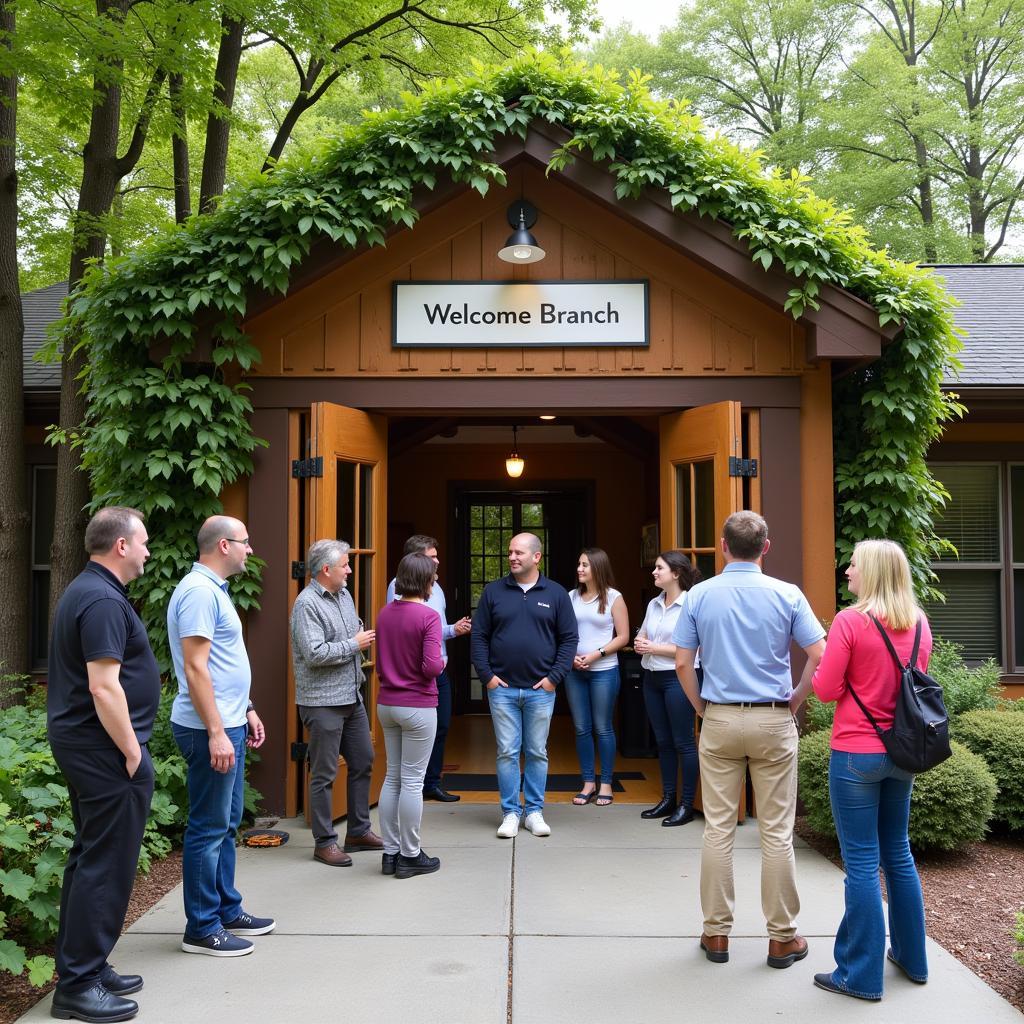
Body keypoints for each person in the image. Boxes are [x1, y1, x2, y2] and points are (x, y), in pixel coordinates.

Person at [674, 511, 825, 969]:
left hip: (720, 717)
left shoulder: (699, 595)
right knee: (776, 832)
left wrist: (703, 709)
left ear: (723, 546)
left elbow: (683, 662)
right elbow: (818, 652)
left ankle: (716, 934)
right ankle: (782, 939)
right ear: (766, 546)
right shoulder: (787, 594)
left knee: (718, 828)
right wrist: (795, 699)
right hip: (773, 718)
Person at [46, 507, 160, 1023]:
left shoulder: (92, 591)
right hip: (104, 751)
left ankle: (85, 966)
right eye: (143, 542)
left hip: (93, 748)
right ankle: (78, 985)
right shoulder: (99, 598)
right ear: (121, 546)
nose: (148, 550)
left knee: (92, 856)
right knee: (106, 863)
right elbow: (102, 685)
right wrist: (133, 751)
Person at [807, 539, 932, 1001]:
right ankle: (913, 959)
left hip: (856, 754)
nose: (847, 572)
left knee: (861, 863)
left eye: (854, 565)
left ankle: (858, 976)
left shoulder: (849, 621)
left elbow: (824, 691)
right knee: (898, 854)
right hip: (903, 755)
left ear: (872, 572)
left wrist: (820, 667)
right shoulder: (920, 622)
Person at [168, 516, 274, 957]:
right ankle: (202, 927)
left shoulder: (214, 591)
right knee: (208, 829)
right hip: (206, 727)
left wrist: (245, 708)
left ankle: (226, 908)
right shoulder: (197, 593)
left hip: (228, 722)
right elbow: (195, 668)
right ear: (224, 545)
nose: (251, 550)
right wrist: (215, 731)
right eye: (246, 543)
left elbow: (222, 664)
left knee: (226, 825)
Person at [471, 533, 578, 839]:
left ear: (536, 557)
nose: (512, 557)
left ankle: (533, 811)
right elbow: (479, 636)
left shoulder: (556, 594)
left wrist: (553, 678)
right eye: (509, 553)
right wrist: (487, 676)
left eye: (519, 552)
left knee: (536, 751)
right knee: (506, 751)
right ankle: (509, 813)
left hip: (540, 690)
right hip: (501, 689)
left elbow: (569, 638)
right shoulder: (493, 592)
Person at [290, 539, 383, 867]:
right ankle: (324, 842)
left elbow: (351, 632)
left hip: (351, 697)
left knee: (363, 760)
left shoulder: (344, 595)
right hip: (322, 703)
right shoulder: (306, 604)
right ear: (325, 569)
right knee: (325, 774)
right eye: (345, 564)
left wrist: (357, 637)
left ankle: (358, 831)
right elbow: (314, 654)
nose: (350, 569)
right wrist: (353, 643)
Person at [386, 534, 472, 802]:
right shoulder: (397, 588)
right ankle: (413, 784)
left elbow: (434, 630)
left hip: (439, 670)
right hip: (416, 675)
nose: (437, 560)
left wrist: (454, 630)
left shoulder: (439, 588)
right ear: (416, 559)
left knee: (441, 727)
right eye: (432, 556)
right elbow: (403, 629)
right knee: (414, 732)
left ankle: (431, 783)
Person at [376, 553, 446, 878]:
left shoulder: (385, 613)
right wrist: (442, 664)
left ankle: (389, 854)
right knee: (413, 781)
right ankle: (410, 855)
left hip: (386, 703)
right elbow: (431, 666)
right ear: (425, 581)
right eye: (432, 576)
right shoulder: (428, 616)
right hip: (417, 704)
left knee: (393, 777)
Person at [635, 550, 701, 827]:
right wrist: (640, 641)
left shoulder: (691, 605)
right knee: (662, 742)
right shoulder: (654, 603)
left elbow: (693, 648)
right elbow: (643, 635)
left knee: (683, 742)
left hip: (679, 678)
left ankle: (686, 804)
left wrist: (653, 648)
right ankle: (668, 798)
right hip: (652, 678)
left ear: (676, 573)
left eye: (659, 568)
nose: (654, 572)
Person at [565, 548, 629, 806]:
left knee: (603, 727)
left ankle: (606, 783)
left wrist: (595, 655)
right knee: (582, 728)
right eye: (579, 564)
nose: (579, 569)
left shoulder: (614, 597)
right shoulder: (570, 597)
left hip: (604, 670)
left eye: (585, 565)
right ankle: (588, 782)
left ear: (598, 569)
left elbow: (623, 637)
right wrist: (571, 657)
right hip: (574, 671)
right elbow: (562, 633)